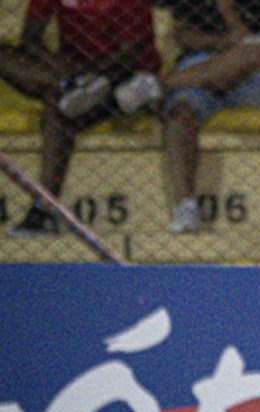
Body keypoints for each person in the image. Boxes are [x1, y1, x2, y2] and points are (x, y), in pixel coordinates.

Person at [117, 0, 260, 233]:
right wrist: (222, 42)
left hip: (253, 71)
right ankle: (185, 207)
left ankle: (159, 84)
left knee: (250, 53)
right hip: (200, 66)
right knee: (180, 112)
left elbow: (248, 39)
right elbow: (183, 35)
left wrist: (226, 8)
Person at [0, 0, 161, 236]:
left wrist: (93, 75)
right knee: (4, 55)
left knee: (59, 111)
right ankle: (69, 87)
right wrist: (62, 69)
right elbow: (30, 37)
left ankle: (44, 211)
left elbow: (130, 53)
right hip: (71, 72)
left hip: (120, 74)